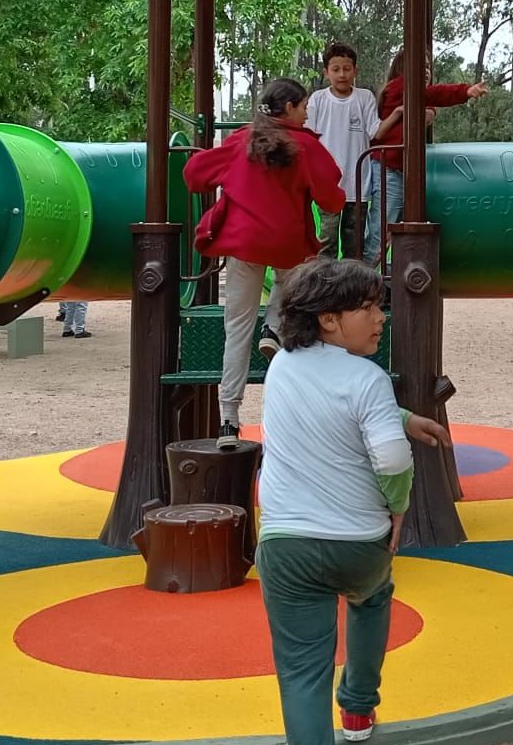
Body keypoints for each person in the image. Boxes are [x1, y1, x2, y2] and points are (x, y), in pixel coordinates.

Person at [254, 257, 451, 745]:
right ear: (330, 320)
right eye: (368, 306)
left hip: (287, 548)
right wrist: (397, 512)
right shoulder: (367, 379)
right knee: (372, 596)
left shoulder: (282, 366)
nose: (381, 316)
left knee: (300, 674)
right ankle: (360, 702)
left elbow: (325, 400)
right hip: (360, 543)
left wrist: (400, 416)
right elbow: (390, 460)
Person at [183, 78, 344, 447]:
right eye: (304, 106)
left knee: (236, 327)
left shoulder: (242, 140)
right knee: (293, 279)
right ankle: (272, 327)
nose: (307, 113)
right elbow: (333, 201)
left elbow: (194, 176)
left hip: (244, 242)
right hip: (286, 241)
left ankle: (228, 419)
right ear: (289, 108)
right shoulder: (306, 146)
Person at [363, 50, 490, 265]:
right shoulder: (399, 87)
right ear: (405, 70)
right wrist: (465, 91)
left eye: (428, 67)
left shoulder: (412, 94)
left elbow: (429, 104)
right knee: (380, 230)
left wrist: (430, 110)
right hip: (390, 167)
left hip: (403, 169)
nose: (426, 71)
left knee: (397, 229)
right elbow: (435, 94)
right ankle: (361, 280)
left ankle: (381, 277)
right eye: (420, 66)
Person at [304, 41, 378, 260]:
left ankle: (351, 290)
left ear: (356, 70)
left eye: (347, 69)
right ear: (326, 72)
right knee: (326, 240)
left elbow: (375, 131)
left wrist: (400, 113)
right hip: (328, 185)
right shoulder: (318, 100)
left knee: (354, 244)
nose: (342, 74)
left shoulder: (365, 98)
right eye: (336, 69)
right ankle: (325, 289)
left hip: (358, 184)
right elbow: (309, 139)